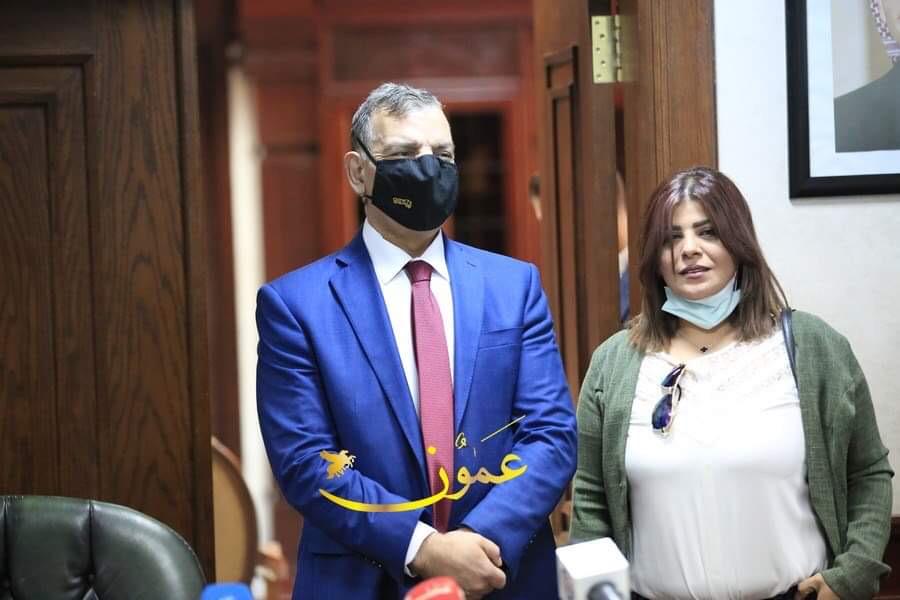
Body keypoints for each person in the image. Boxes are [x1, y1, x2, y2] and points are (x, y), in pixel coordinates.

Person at [256, 82, 576, 600]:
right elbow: (306, 461)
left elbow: (552, 434)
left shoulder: (513, 286)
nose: (429, 168)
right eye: (405, 154)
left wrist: (478, 542)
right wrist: (423, 548)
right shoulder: (296, 306)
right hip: (362, 582)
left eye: (442, 155)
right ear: (358, 172)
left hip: (501, 575)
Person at [570, 166, 893, 600]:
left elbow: (868, 473)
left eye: (708, 232)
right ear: (655, 259)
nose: (689, 249)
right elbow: (591, 499)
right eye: (671, 238)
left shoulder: (814, 348)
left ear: (739, 244)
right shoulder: (614, 363)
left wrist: (852, 575)